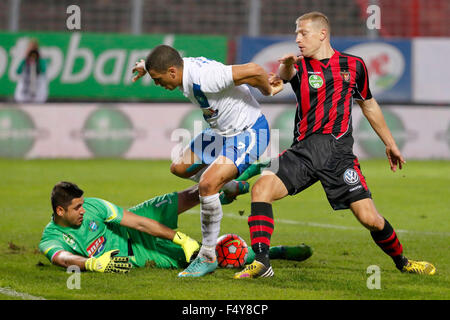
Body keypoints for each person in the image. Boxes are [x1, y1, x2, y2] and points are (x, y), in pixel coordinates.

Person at [234, 12, 436, 279]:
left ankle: (404, 262)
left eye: (303, 33)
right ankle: (262, 262)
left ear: (322, 34)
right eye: (296, 33)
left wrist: (390, 143)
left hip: (338, 155)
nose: (297, 39)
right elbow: (279, 81)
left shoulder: (354, 66)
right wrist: (284, 67)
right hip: (303, 151)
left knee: (370, 219)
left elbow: (368, 104)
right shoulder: (300, 66)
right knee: (261, 188)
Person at [132, 45, 283, 277]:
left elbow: (254, 69)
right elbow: (168, 60)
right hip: (221, 133)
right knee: (180, 167)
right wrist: (146, 66)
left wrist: (268, 90)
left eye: (157, 78)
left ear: (172, 72)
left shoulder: (206, 78)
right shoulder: (182, 69)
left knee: (207, 185)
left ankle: (207, 256)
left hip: (248, 132)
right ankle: (232, 185)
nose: (157, 83)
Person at [39, 181, 313, 273]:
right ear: (59, 211)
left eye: (83, 205)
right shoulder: (51, 237)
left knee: (175, 199)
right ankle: (271, 252)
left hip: (135, 227)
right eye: (77, 208)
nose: (83, 211)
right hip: (140, 257)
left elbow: (137, 221)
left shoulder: (95, 206)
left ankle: (222, 189)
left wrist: (179, 236)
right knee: (212, 258)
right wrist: (90, 264)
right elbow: (61, 258)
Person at [14, 39, 48, 103]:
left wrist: (38, 60)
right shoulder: (25, 60)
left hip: (37, 90)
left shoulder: (41, 60)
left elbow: (43, 71)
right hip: (25, 90)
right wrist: (25, 59)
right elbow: (18, 71)